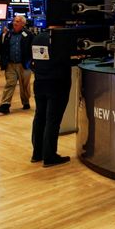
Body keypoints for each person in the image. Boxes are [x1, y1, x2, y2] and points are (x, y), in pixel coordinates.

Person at [30, 29, 72, 167]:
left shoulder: (37, 37)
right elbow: (63, 61)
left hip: (39, 82)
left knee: (40, 117)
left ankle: (37, 153)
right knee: (52, 120)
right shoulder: (61, 38)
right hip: (56, 83)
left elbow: (33, 60)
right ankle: (49, 156)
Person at [0, 14, 33, 114]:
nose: (14, 23)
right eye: (14, 21)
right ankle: (5, 105)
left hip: (24, 64)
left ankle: (25, 102)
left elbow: (33, 49)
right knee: (10, 84)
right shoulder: (8, 34)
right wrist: (2, 36)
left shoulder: (29, 35)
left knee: (24, 85)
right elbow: (0, 48)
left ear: (23, 24)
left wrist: (32, 61)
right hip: (10, 64)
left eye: (17, 21)